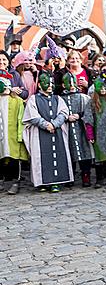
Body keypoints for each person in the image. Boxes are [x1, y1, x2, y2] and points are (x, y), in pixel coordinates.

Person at [22, 72, 73, 193]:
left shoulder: (58, 99)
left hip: (57, 132)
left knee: (59, 154)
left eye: (51, 83)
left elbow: (64, 112)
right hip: (40, 133)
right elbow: (31, 115)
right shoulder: (33, 99)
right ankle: (42, 182)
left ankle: (56, 181)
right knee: (41, 156)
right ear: (39, 85)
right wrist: (45, 125)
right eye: (46, 83)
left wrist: (55, 124)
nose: (50, 85)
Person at [60, 73, 94, 187]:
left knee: (84, 151)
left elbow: (89, 112)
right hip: (67, 129)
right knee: (69, 151)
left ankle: (86, 175)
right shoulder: (60, 99)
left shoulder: (83, 97)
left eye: (73, 82)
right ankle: (70, 176)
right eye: (68, 82)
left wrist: (79, 115)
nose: (71, 85)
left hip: (81, 128)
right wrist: (65, 117)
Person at [0, 64, 28, 195]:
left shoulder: (17, 101)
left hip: (13, 134)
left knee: (14, 157)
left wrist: (20, 135)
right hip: (1, 134)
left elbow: (20, 119)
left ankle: (16, 182)